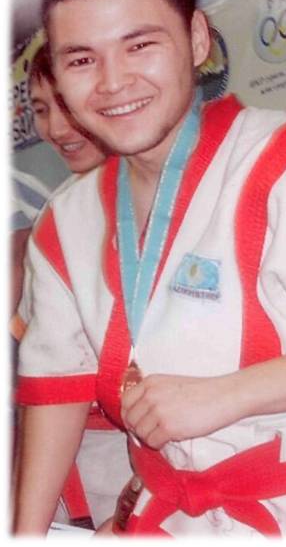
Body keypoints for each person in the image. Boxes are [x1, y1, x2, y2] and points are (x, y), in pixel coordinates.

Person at [13, 0, 286, 537]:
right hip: (161, 515)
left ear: (195, 38)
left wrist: (229, 395)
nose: (113, 82)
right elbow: (57, 388)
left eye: (140, 45)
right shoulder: (65, 221)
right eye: (82, 59)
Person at [12, 44, 132, 530]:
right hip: (73, 471)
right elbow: (43, 386)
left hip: (148, 474)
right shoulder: (59, 214)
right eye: (42, 110)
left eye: (65, 104)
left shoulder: (167, 201)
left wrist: (135, 509)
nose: (57, 129)